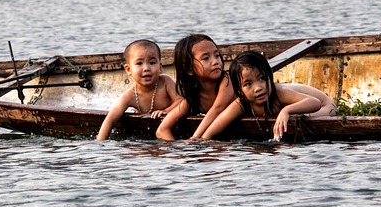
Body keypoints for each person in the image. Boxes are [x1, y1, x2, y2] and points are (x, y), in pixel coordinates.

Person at [201, 51, 336, 141]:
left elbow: (315, 102)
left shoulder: (278, 92)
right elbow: (216, 126)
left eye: (262, 79)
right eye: (248, 84)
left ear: (270, 78)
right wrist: (201, 142)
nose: (258, 88)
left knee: (296, 122)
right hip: (308, 102)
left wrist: (286, 110)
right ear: (240, 91)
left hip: (326, 105)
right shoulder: (242, 103)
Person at [156, 34, 235, 141]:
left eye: (217, 55)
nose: (215, 61)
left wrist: (195, 138)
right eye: (206, 58)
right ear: (189, 69)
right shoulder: (193, 98)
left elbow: (218, 108)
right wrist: (176, 149)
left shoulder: (227, 80)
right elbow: (162, 130)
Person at [97, 39, 179, 140]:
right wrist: (100, 142)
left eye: (152, 62)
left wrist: (167, 111)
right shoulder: (129, 96)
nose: (146, 68)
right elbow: (111, 119)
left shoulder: (166, 82)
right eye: (139, 63)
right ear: (128, 69)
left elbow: (182, 101)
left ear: (160, 67)